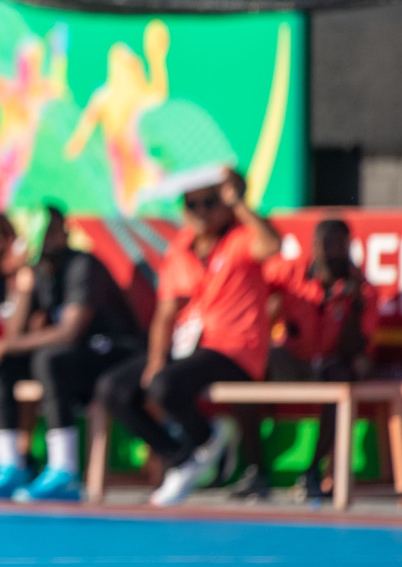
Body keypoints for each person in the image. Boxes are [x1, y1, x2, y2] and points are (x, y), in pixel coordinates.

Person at [97, 169, 280, 506]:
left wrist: (239, 202)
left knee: (165, 385)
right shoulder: (182, 247)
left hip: (236, 351)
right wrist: (154, 361)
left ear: (225, 205)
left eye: (210, 203)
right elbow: (166, 313)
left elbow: (272, 245)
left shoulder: (240, 239)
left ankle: (201, 444)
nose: (200, 211)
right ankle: (184, 455)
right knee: (114, 389)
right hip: (191, 348)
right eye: (192, 204)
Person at [0, 205, 145, 502]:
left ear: (64, 231)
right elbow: (16, 336)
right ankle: (10, 466)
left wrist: (2, 345)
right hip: (72, 358)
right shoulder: (38, 271)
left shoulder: (83, 265)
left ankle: (64, 470)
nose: (45, 239)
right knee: (7, 363)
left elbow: (69, 332)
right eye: (38, 232)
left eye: (50, 230)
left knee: (48, 359)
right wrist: (25, 282)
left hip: (115, 354)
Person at [261, 218, 378, 501]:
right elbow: (255, 284)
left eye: (338, 245)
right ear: (313, 245)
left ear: (349, 247)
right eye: (324, 243)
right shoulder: (290, 273)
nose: (330, 252)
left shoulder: (362, 289)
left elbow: (357, 350)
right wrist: (271, 308)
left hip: (331, 364)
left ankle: (313, 470)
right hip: (292, 359)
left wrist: (351, 306)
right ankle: (253, 467)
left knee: (343, 378)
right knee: (255, 362)